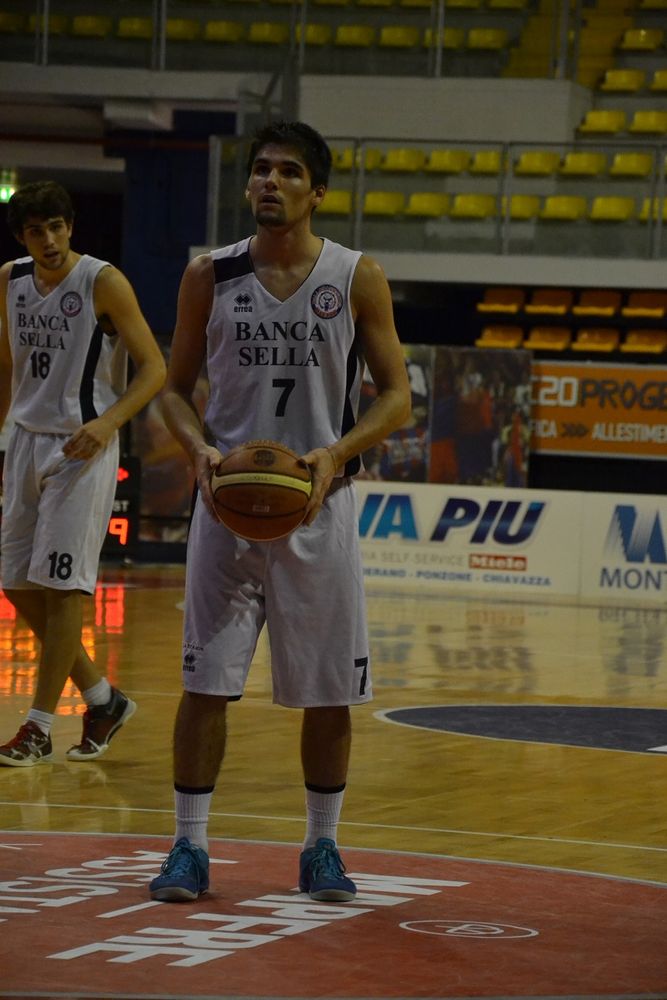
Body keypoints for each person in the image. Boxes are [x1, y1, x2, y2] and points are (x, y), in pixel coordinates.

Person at [149, 121, 411, 903]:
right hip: (226, 508)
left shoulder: (355, 275)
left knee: (329, 693)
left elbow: (397, 396)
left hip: (317, 508)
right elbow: (171, 385)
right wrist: (196, 449)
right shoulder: (209, 275)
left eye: (287, 172)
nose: (268, 182)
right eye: (259, 170)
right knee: (204, 684)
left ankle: (321, 848)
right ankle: (188, 849)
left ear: (317, 192)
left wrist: (335, 453)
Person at [0, 180, 166, 766]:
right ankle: (102, 698)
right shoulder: (10, 280)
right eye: (36, 230)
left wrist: (108, 424)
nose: (49, 240)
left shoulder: (103, 281)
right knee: (16, 585)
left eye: (57, 227)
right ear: (22, 236)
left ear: (71, 227)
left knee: (63, 589)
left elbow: (153, 368)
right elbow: (5, 364)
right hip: (23, 442)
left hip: (82, 448)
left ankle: (40, 726)